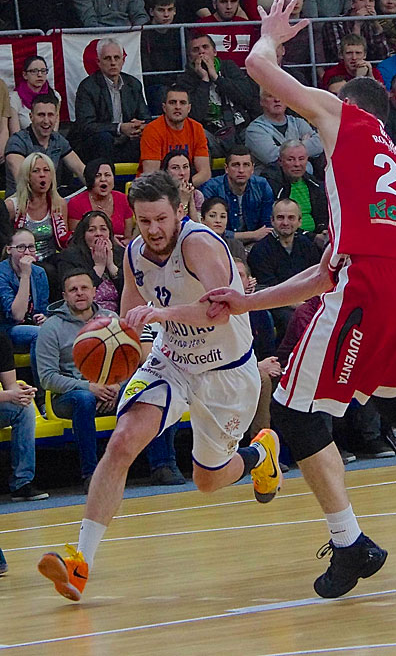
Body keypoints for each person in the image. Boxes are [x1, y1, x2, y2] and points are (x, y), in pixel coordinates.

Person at [202, 0, 396, 597]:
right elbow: (324, 276)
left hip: (379, 278)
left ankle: (350, 543)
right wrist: (246, 303)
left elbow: (260, 69)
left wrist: (270, 37)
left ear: (347, 104)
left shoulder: (347, 118)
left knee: (292, 413)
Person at [37, 173, 282, 602]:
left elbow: (221, 311)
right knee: (122, 441)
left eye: (161, 219)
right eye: (145, 220)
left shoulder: (200, 245)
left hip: (225, 370)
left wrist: (160, 315)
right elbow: (132, 312)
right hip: (171, 361)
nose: (153, 229)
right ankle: (80, 562)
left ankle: (261, 454)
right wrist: (115, 343)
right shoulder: (135, 252)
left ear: (179, 212)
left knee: (207, 480)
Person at [36, 269, 118, 491]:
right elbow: (47, 378)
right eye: (73, 290)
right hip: (67, 397)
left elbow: (129, 361)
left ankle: (162, 465)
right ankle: (91, 475)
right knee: (84, 399)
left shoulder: (112, 320)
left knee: (145, 391)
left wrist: (116, 386)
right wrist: (89, 387)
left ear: (94, 291)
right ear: (64, 296)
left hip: (110, 388)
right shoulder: (51, 328)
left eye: (84, 288)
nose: (79, 293)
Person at [248, 197, 321, 333]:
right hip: (276, 305)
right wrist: (300, 306)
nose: (285, 223)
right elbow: (269, 290)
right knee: (294, 320)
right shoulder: (260, 250)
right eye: (280, 217)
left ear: (299, 221)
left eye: (291, 218)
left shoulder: (308, 246)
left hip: (307, 302)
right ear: (272, 221)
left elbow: (317, 279)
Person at [72, 38, 150, 163]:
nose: (113, 62)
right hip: (97, 143)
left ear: (123, 61)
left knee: (147, 135)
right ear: (98, 62)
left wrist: (140, 126)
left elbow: (145, 117)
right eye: (107, 58)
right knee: (104, 138)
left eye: (116, 58)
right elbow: (86, 126)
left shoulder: (133, 84)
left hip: (127, 140)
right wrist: (119, 128)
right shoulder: (87, 87)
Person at [176, 32, 253, 157]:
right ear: (190, 58)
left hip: (240, 127)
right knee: (197, 135)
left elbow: (246, 97)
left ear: (215, 52)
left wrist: (217, 78)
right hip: (210, 132)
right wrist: (204, 81)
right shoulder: (185, 80)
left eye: (205, 47)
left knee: (256, 133)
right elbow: (196, 115)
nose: (201, 52)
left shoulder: (229, 67)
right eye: (196, 50)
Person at [5, 95, 85, 197]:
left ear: (56, 117)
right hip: (20, 200)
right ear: (31, 117)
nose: (46, 121)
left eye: (50, 115)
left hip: (49, 199)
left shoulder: (58, 139)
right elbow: (23, 180)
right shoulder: (17, 141)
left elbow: (81, 169)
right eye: (41, 115)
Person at [0, 329, 47, 502]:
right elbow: (7, 394)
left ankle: (22, 482)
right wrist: (8, 395)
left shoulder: (1, 339)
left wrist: (22, 393)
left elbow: (10, 385)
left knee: (24, 408)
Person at [0, 229, 48, 389]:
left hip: (30, 325)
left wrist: (43, 317)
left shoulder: (40, 273)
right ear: (9, 250)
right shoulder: (2, 273)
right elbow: (17, 314)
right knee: (39, 334)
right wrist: (25, 276)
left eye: (31, 247)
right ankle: (41, 393)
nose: (27, 252)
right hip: (6, 329)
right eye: (21, 247)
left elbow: (42, 308)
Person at [200, 146, 275, 245]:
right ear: (226, 168)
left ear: (252, 168)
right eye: (236, 165)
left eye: (246, 165)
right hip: (219, 243)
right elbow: (208, 229)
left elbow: (268, 226)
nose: (241, 170)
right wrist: (252, 235)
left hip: (255, 244)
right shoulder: (211, 188)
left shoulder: (262, 185)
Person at [259, 139, 329, 245]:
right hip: (284, 239)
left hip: (315, 239)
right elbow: (276, 223)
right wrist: (311, 237)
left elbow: (322, 216)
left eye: (301, 159)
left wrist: (323, 230)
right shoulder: (271, 184)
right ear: (280, 161)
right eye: (290, 159)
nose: (297, 164)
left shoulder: (314, 184)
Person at [139, 85, 210, 187]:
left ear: (189, 108)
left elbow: (205, 173)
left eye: (182, 103)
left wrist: (184, 186)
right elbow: (151, 175)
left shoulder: (197, 128)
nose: (178, 107)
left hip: (187, 186)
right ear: (164, 107)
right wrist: (175, 189)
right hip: (155, 188)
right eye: (172, 102)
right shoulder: (152, 129)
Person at [5, 153, 71, 262]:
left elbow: (63, 241)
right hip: (20, 260)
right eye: (36, 171)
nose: (42, 175)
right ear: (27, 177)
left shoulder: (59, 204)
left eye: (46, 170)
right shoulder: (11, 206)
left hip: (51, 259)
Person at [57, 211, 125, 313]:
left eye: (103, 229)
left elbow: (130, 290)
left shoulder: (121, 253)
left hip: (119, 313)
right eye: (91, 230)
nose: (98, 234)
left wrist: (111, 265)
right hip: (84, 314)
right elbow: (77, 292)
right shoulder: (69, 257)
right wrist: (99, 267)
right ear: (83, 235)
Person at [245, 90, 324, 170]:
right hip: (271, 176)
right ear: (262, 102)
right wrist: (302, 144)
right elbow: (271, 157)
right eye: (270, 96)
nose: (277, 100)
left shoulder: (298, 123)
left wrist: (281, 149)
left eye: (280, 95)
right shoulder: (254, 130)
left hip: (306, 176)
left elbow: (319, 145)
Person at [67, 159, 133, 244]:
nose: (103, 179)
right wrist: (109, 240)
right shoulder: (76, 203)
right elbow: (76, 239)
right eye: (97, 176)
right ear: (90, 179)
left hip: (119, 248)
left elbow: (127, 237)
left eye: (107, 175)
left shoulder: (123, 199)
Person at [320, 0, 390, 64]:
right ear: (352, 4)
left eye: (371, 0)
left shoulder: (374, 24)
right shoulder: (334, 23)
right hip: (342, 69)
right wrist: (357, 25)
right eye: (362, 0)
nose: (367, 4)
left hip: (370, 68)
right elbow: (341, 56)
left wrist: (376, 24)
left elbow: (384, 55)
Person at [141, 0, 183, 116]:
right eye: (161, 10)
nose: (166, 15)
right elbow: (146, 70)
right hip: (154, 85)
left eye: (170, 10)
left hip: (179, 81)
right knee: (162, 92)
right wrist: (171, 83)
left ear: (175, 11)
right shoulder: (142, 34)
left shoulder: (181, 31)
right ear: (151, 12)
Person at [197, 0, 258, 68]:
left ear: (238, 2)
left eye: (233, 1)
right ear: (214, 4)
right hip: (213, 74)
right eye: (223, 2)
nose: (229, 6)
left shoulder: (247, 26)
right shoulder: (201, 26)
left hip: (245, 75)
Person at [9, 56, 62, 134]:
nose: (39, 75)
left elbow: (54, 132)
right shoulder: (14, 98)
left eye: (43, 71)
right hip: (23, 141)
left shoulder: (55, 96)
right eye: (34, 71)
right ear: (25, 75)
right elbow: (15, 134)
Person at [320, 33, 386, 90]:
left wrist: (370, 76)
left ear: (365, 55)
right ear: (341, 55)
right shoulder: (331, 74)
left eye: (358, 53)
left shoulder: (374, 72)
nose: (354, 58)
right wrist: (358, 78)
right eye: (349, 53)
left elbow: (381, 97)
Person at [161, 150, 204, 222]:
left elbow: (197, 226)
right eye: (175, 168)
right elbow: (174, 224)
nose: (182, 173)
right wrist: (184, 201)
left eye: (185, 167)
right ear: (166, 172)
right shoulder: (159, 196)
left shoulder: (197, 195)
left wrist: (191, 200)